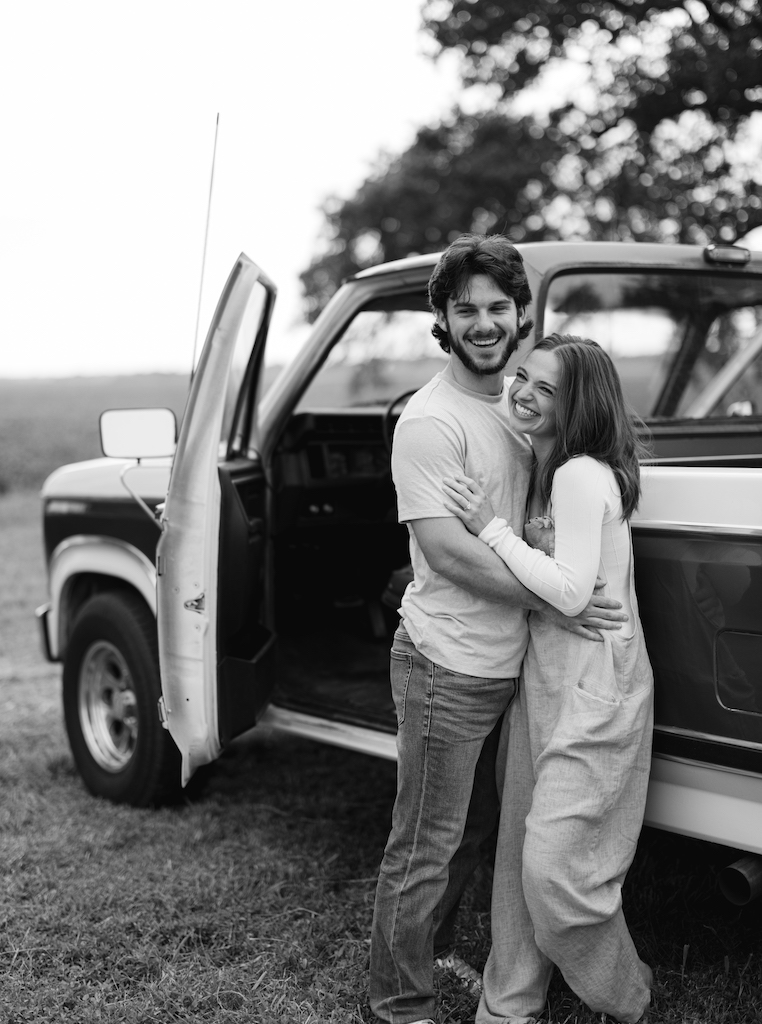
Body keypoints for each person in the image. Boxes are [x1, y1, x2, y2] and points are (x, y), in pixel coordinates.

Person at [369, 237, 629, 1024]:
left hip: (514, 666)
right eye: (465, 310)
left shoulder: (524, 407)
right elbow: (446, 552)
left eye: (496, 308)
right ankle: (400, 1005)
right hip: (446, 663)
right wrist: (558, 604)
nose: (484, 323)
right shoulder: (429, 423)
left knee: (479, 831)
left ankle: (434, 952)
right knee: (424, 847)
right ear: (442, 321)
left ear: (521, 315)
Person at [443, 333, 655, 1024]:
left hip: (595, 683)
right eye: (522, 378)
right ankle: (507, 1007)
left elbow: (568, 593)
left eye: (546, 389)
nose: (524, 393)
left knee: (551, 870)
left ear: (578, 404)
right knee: (514, 857)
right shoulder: (541, 460)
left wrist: (491, 528)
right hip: (547, 676)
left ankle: (628, 996)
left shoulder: (576, 474)